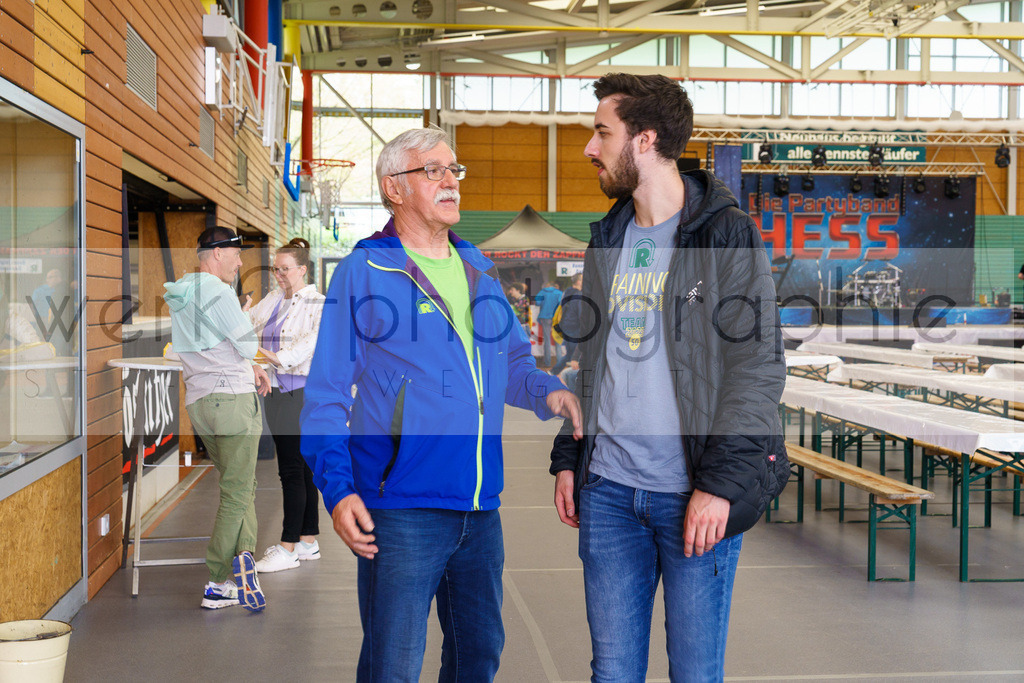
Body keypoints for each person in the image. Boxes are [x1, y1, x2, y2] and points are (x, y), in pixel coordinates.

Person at [300, 127, 582, 683]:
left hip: (479, 507)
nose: (451, 181)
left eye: (454, 169)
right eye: (433, 170)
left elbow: (512, 366)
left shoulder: (479, 269)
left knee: (478, 656)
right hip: (399, 508)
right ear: (394, 188)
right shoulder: (365, 272)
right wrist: (338, 490)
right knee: (393, 665)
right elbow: (326, 396)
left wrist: (548, 391)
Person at [549, 73, 790, 682]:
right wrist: (569, 457)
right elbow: (593, 361)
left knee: (694, 673)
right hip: (607, 491)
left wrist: (720, 485)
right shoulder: (608, 237)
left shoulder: (725, 233)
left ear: (646, 139)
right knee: (612, 673)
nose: (590, 148)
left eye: (602, 132)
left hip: (693, 493)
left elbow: (756, 368)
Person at [164, 226, 272, 612]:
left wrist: (247, 362)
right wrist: (244, 327)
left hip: (200, 402)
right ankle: (217, 580)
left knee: (238, 484)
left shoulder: (181, 292)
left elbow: (204, 348)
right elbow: (247, 343)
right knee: (238, 491)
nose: (240, 262)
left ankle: (244, 555)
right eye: (237, 254)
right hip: (232, 401)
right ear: (217, 253)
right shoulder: (218, 292)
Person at [244, 237, 326, 573]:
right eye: (276, 269)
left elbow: (307, 346)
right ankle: (308, 540)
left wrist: (271, 357)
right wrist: (241, 312)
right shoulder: (274, 299)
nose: (279, 275)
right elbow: (248, 325)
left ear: (303, 270)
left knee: (291, 470)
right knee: (302, 469)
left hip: (300, 393)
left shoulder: (318, 304)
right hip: (276, 389)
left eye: (286, 269)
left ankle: (288, 546)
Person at [550, 271, 583, 376]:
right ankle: (571, 378)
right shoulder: (579, 295)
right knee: (574, 356)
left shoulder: (567, 292)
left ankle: (553, 372)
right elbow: (581, 314)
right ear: (579, 282)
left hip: (565, 326)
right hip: (574, 327)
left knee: (570, 354)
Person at [534, 280, 563, 366]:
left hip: (545, 317)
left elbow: (537, 303)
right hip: (556, 318)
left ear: (546, 286)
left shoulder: (542, 292)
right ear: (554, 286)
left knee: (547, 340)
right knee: (558, 340)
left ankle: (547, 362)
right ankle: (559, 363)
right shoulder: (559, 293)